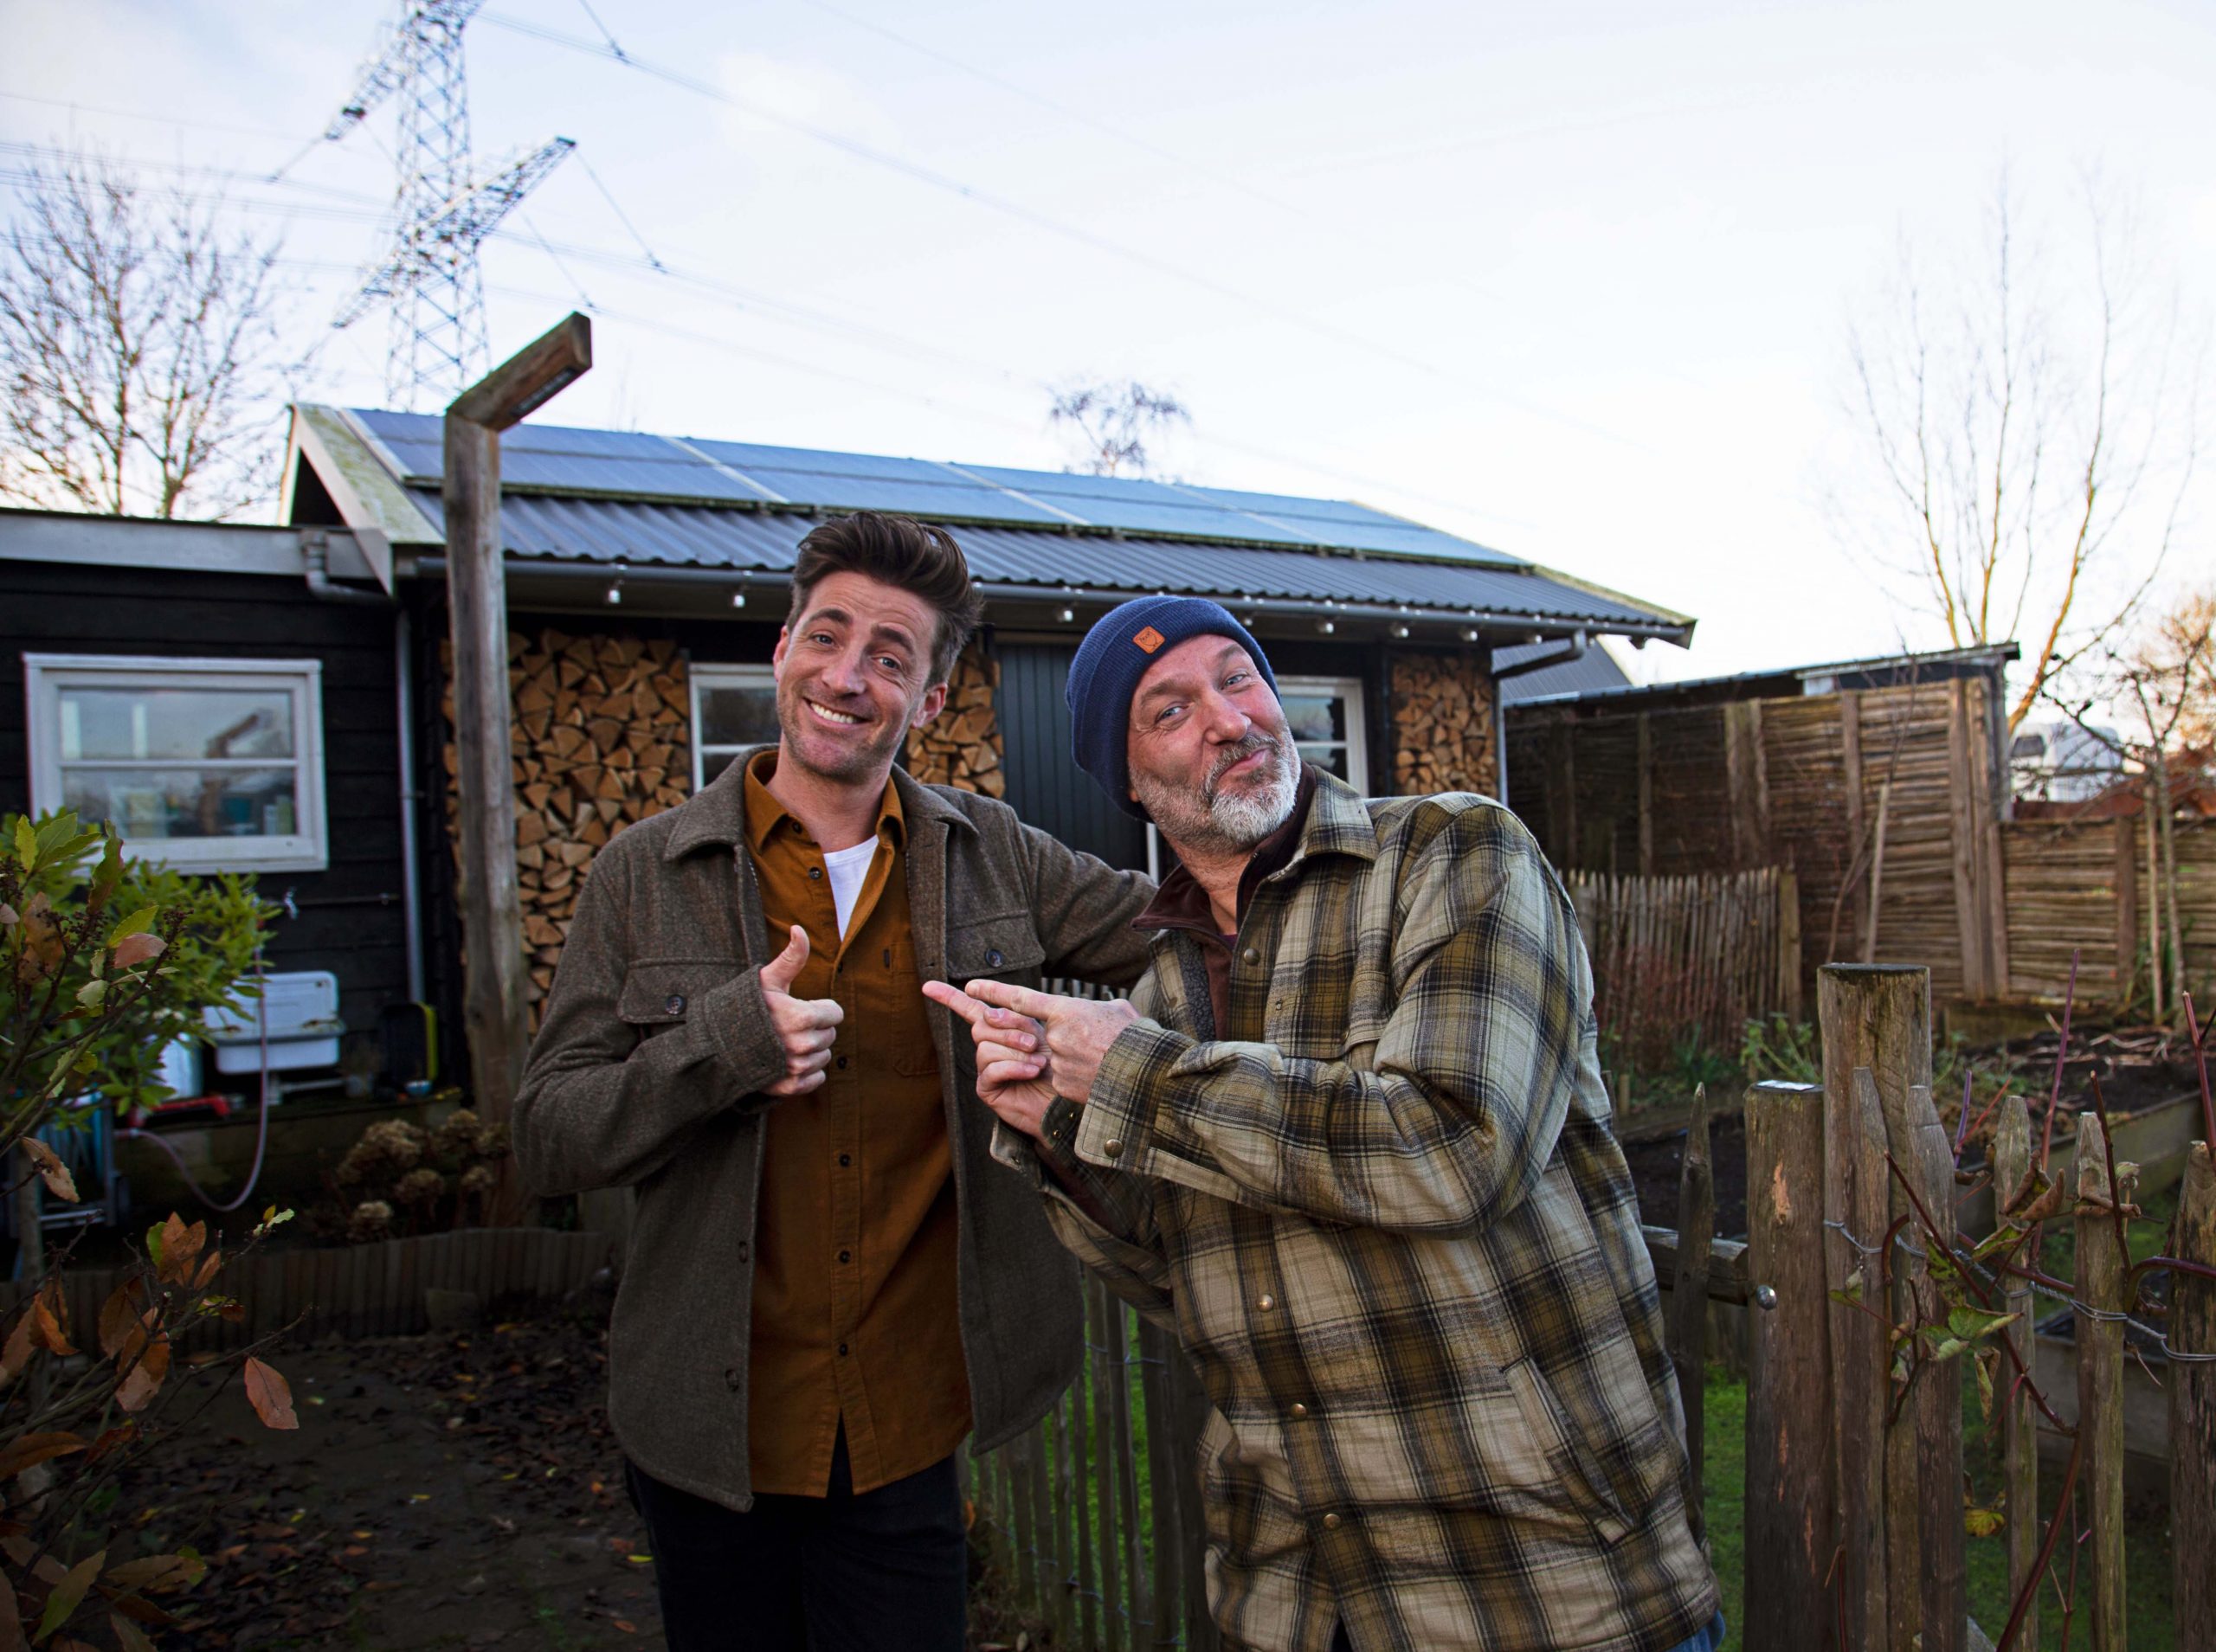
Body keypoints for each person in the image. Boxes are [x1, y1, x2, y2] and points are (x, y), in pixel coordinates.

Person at [926, 595, 1724, 1652]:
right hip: (1302, 1595)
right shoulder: (1163, 990)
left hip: (1539, 1583)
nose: (1227, 718)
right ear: (1127, 779)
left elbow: (1456, 1149)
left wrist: (1134, 1075)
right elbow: (1183, 1278)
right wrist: (1060, 1138)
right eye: (1169, 708)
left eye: (1239, 678)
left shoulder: (1454, 854)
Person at [514, 512, 1155, 1651]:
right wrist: (721, 1049)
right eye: (829, 636)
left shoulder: (995, 852)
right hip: (706, 1434)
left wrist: (1119, 1034)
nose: (848, 676)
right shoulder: (639, 874)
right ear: (782, 649)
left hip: (904, 1433)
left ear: (933, 701)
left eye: (892, 656)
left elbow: (1177, 935)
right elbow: (551, 1138)